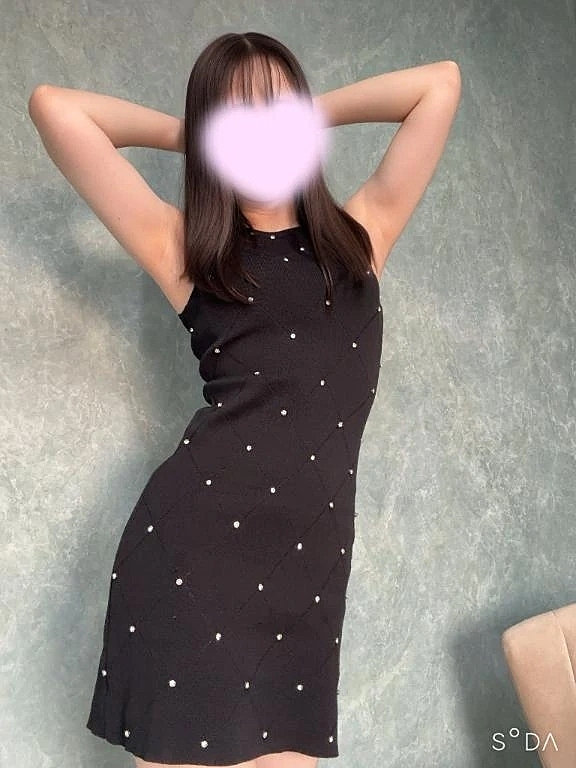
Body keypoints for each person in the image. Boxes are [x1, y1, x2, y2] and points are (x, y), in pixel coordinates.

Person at [28, 30, 461, 768]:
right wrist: (201, 138)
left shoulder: (364, 237)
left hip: (308, 571)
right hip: (193, 557)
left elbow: (439, 84)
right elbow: (54, 107)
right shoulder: (185, 252)